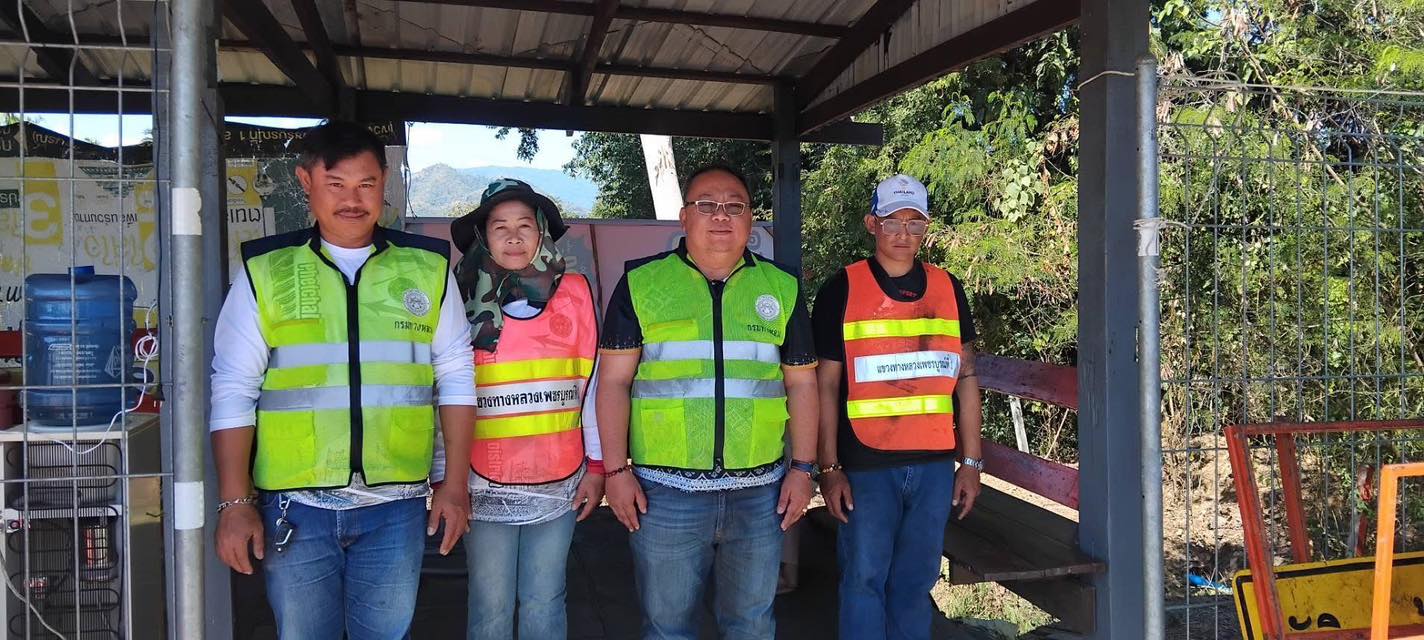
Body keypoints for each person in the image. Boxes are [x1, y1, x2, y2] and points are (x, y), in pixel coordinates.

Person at [209, 120, 476, 640]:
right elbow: (234, 388)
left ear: (384, 185)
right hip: (296, 506)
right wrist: (235, 502)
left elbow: (456, 376)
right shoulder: (266, 271)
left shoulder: (426, 268)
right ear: (306, 181)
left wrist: (455, 484)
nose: (352, 199)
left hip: (396, 503)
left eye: (366, 184)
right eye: (336, 184)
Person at [596, 164, 819, 640]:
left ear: (751, 218)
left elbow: (803, 384)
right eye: (706, 205)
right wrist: (615, 471)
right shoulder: (642, 283)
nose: (721, 216)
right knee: (667, 629)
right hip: (664, 493)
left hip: (760, 492)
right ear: (684, 216)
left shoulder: (782, 287)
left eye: (734, 206)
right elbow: (613, 382)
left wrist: (803, 469)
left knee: (751, 626)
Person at [811, 174, 985, 640]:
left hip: (933, 465)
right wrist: (829, 467)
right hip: (866, 465)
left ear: (926, 227)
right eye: (892, 221)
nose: (904, 233)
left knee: (915, 582)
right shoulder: (841, 289)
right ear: (872, 223)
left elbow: (967, 378)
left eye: (915, 222)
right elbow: (825, 385)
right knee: (864, 579)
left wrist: (970, 463)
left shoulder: (949, 288)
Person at [446, 178, 604, 640]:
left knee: (545, 598)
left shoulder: (575, 294)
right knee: (490, 604)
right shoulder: (457, 299)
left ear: (542, 234)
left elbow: (592, 385)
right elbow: (443, 395)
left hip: (560, 478)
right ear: (483, 237)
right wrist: (444, 477)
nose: (513, 237)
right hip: (483, 483)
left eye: (524, 226)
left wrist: (598, 466)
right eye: (500, 227)